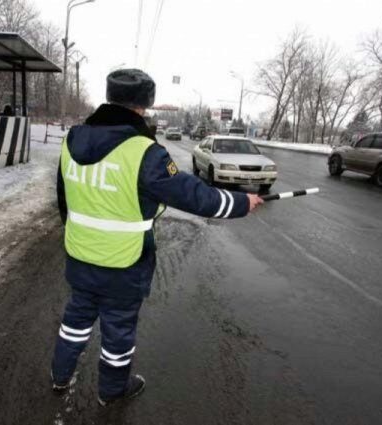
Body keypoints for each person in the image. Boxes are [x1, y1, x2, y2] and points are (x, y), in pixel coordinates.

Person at [51, 68, 263, 407]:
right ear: (144, 107)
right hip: (124, 262)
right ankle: (112, 391)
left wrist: (78, 234)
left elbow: (63, 197)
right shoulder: (143, 152)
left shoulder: (72, 139)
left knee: (75, 321)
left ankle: (59, 376)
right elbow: (196, 196)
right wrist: (241, 202)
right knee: (117, 333)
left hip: (80, 255)